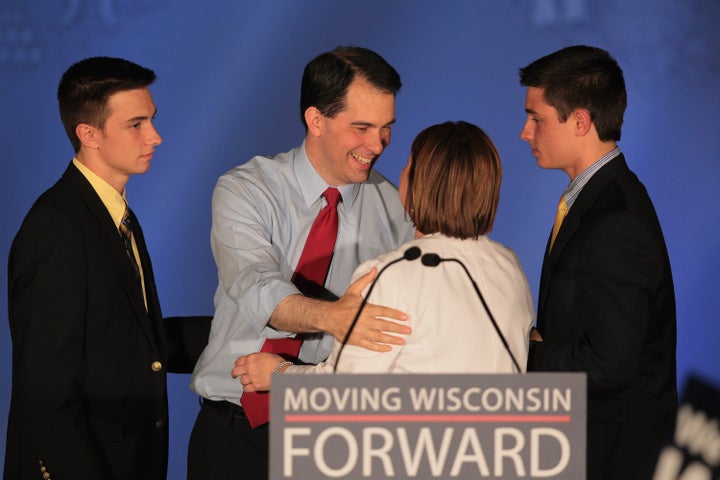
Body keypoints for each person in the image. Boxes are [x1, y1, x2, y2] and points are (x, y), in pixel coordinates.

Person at [187, 46, 415, 479]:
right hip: (235, 434)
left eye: (386, 128)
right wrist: (337, 318)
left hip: (334, 438)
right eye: (362, 127)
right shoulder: (245, 190)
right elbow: (257, 288)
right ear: (316, 121)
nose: (378, 145)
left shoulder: (398, 207)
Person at [232, 121, 534, 383]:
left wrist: (279, 374)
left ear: (420, 183)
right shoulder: (509, 266)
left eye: (408, 163)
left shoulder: (387, 274)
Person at [519, 45, 677, 479]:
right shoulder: (597, 199)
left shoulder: (617, 219)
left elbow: (610, 363)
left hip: (608, 457)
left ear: (581, 121)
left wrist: (525, 353)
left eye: (537, 118)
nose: (525, 133)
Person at [5, 57, 168, 479]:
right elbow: (46, 391)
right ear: (88, 134)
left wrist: (251, 330)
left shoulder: (113, 215)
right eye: (137, 124)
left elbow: (130, 340)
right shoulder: (56, 227)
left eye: (151, 120)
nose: (156, 136)